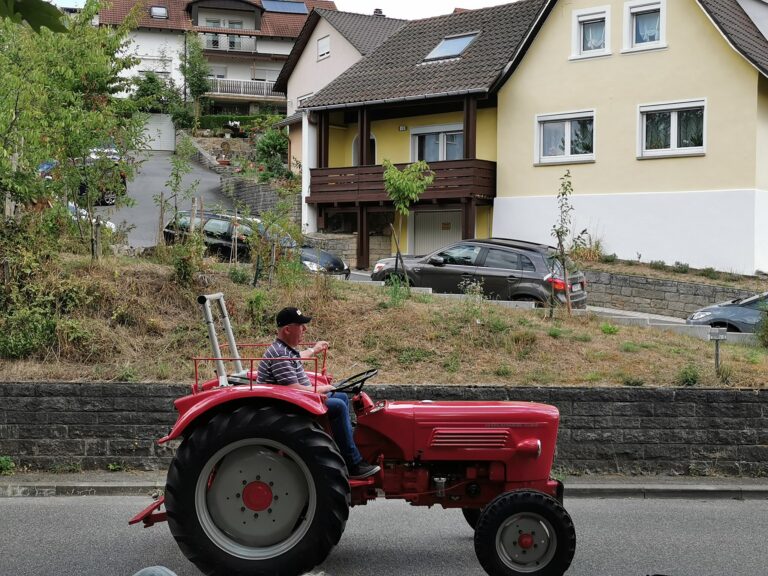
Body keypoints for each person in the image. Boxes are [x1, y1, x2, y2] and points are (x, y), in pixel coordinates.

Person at [257, 306, 380, 480]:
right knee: (337, 406)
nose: (305, 329)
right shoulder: (280, 354)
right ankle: (352, 462)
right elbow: (292, 389)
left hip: (293, 399)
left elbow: (299, 356)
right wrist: (321, 389)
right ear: (287, 329)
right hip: (284, 407)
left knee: (342, 397)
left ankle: (344, 445)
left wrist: (315, 349)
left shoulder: (284, 349)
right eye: (301, 326)